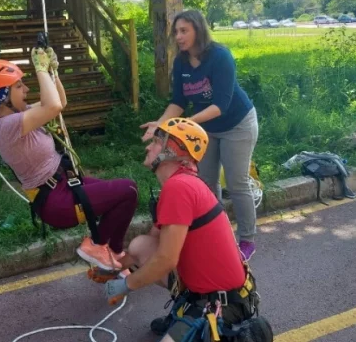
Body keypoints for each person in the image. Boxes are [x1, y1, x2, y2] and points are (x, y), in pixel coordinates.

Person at [0, 49, 138, 275]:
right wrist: (39, 69)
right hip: (56, 201)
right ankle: (101, 248)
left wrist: (52, 72)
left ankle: (109, 254)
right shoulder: (5, 128)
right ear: (1, 96)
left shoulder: (19, 115)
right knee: (127, 190)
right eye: (19, 86)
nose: (27, 90)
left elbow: (59, 101)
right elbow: (53, 107)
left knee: (122, 197)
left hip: (64, 186)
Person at [104, 118, 269, 341]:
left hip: (222, 304)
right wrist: (112, 268)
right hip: (216, 293)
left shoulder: (178, 187)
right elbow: (151, 242)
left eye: (155, 143)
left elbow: (166, 259)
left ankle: (210, 326)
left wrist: (126, 285)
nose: (148, 147)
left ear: (171, 151)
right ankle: (186, 312)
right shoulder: (182, 183)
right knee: (140, 245)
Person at [140, 10, 259, 260]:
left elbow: (220, 105)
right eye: (176, 32)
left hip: (237, 124)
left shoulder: (220, 56)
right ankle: (217, 233)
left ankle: (247, 240)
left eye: (184, 31)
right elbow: (178, 102)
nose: (179, 37)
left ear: (198, 30)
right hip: (205, 128)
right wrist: (161, 125)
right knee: (205, 182)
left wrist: (184, 125)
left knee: (237, 183)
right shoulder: (181, 62)